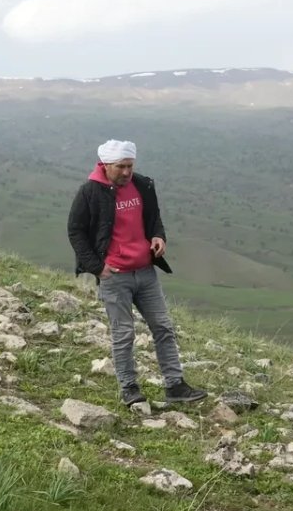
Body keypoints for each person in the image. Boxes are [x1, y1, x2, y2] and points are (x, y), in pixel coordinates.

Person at [67, 139, 206, 406]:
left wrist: (158, 236)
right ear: (106, 164)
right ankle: (129, 388)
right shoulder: (90, 192)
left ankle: (175, 386)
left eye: (130, 166)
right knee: (124, 333)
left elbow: (154, 217)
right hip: (114, 276)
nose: (127, 172)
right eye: (121, 166)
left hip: (145, 272)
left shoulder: (142, 185)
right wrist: (97, 267)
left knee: (163, 327)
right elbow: (76, 231)